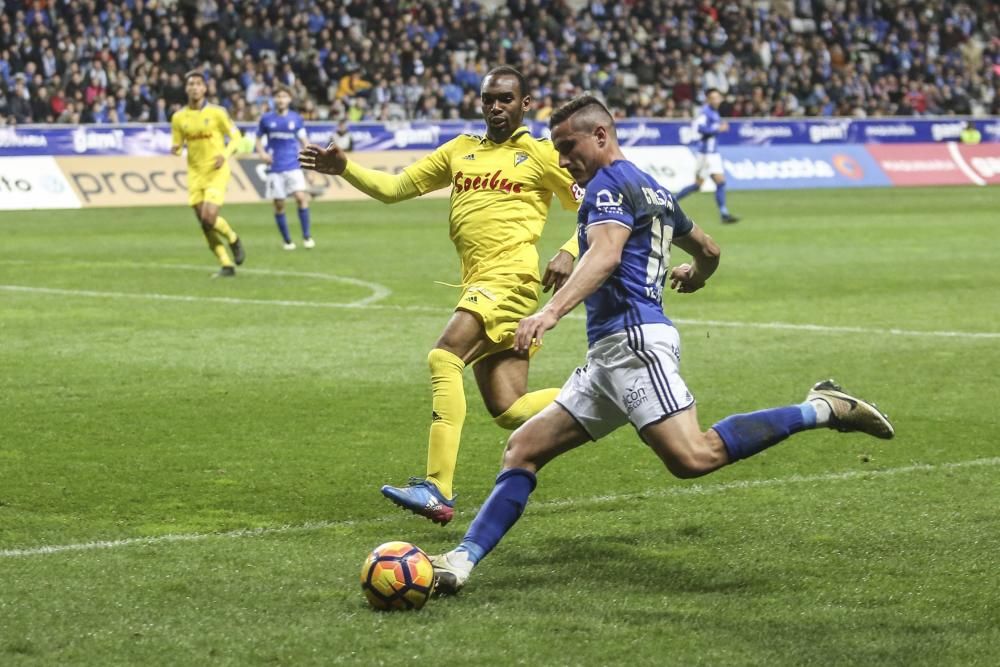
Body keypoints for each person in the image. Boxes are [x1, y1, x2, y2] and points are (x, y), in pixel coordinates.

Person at [429, 95, 894, 594]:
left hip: (634, 344)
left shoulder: (606, 187)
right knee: (523, 448)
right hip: (610, 355)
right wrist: (697, 273)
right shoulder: (653, 188)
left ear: (601, 136)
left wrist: (549, 311)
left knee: (692, 457)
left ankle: (822, 408)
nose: (563, 161)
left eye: (569, 147)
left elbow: (604, 255)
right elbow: (710, 248)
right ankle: (460, 562)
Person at [299, 66, 582, 525]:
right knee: (510, 409)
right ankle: (611, 393)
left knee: (444, 356)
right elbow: (395, 189)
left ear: (525, 104)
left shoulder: (541, 153)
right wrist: (345, 168)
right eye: (489, 98)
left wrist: (569, 251)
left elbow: (595, 205)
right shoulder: (460, 151)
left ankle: (437, 488)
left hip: (510, 278)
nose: (495, 106)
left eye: (506, 99)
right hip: (479, 281)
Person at [170, 70, 246, 277]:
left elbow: (236, 136)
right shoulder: (178, 118)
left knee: (209, 217)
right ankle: (226, 264)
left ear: (205, 88)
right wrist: (176, 148)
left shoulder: (217, 113)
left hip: (216, 171)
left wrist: (225, 153)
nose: (194, 87)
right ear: (186, 89)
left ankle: (233, 238)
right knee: (204, 223)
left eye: (198, 84)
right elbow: (177, 143)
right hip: (194, 174)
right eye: (191, 84)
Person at [255, 86, 315, 250]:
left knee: (301, 197)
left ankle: (306, 236)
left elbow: (305, 142)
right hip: (275, 167)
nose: (281, 100)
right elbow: (258, 140)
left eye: (284, 96)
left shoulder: (296, 119)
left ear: (289, 99)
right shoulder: (266, 119)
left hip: (293, 165)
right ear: (274, 99)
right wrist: (262, 154)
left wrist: (310, 168)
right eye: (278, 96)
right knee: (279, 204)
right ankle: (287, 240)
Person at [675, 88, 740, 224]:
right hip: (705, 155)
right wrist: (717, 129)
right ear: (708, 100)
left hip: (713, 154)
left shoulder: (715, 112)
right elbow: (698, 127)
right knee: (700, 185)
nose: (717, 100)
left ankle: (724, 214)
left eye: (718, 97)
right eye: (714, 98)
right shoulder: (706, 112)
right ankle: (671, 201)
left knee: (719, 182)